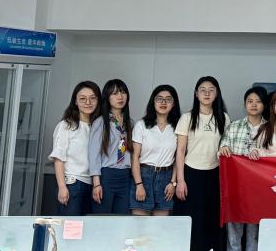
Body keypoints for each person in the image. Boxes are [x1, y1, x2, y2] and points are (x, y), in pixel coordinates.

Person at [175, 76, 229, 251]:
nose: (207, 93)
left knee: (212, 220)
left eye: (211, 90)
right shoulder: (187, 118)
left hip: (215, 175)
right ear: (196, 94)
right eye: (203, 90)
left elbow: (226, 147)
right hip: (191, 174)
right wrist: (180, 181)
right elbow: (180, 151)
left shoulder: (224, 118)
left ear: (217, 94)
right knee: (193, 220)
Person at [219, 86, 269, 251]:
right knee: (234, 234)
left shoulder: (270, 128)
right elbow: (223, 147)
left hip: (259, 189)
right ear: (244, 104)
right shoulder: (234, 126)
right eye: (250, 101)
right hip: (236, 188)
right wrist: (224, 148)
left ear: (264, 105)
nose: (254, 105)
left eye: (258, 101)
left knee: (254, 234)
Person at [49, 81, 101, 216]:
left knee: (88, 226)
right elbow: (58, 158)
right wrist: (62, 187)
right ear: (75, 101)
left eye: (93, 98)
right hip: (73, 184)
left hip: (93, 186)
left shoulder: (99, 126)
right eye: (82, 98)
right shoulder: (66, 125)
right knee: (71, 226)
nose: (88, 102)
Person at [130, 84, 180, 216]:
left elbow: (178, 157)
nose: (163, 102)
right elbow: (135, 157)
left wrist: (173, 183)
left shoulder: (178, 127)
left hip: (166, 179)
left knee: (161, 226)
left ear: (173, 103)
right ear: (153, 102)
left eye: (168, 99)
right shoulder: (141, 125)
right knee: (139, 226)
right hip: (143, 176)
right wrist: (139, 184)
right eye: (159, 99)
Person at [88, 78, 133, 215]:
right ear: (107, 98)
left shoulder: (130, 123)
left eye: (123, 92)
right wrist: (96, 183)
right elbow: (93, 154)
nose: (120, 96)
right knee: (102, 219)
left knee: (122, 220)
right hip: (107, 176)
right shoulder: (101, 122)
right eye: (114, 93)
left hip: (126, 176)